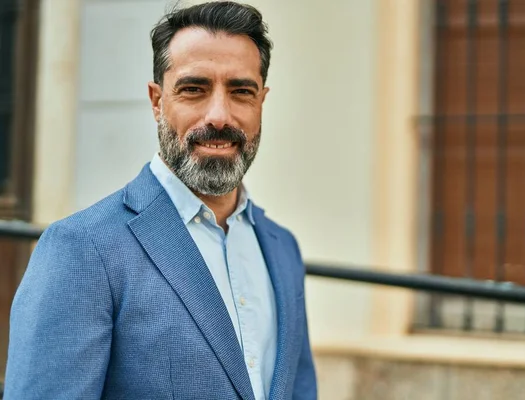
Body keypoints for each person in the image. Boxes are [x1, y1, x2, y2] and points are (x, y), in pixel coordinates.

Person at [3, 2, 317, 399]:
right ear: (157, 101)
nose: (219, 115)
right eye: (194, 90)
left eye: (241, 91)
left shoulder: (282, 249)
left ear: (261, 102)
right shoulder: (82, 249)